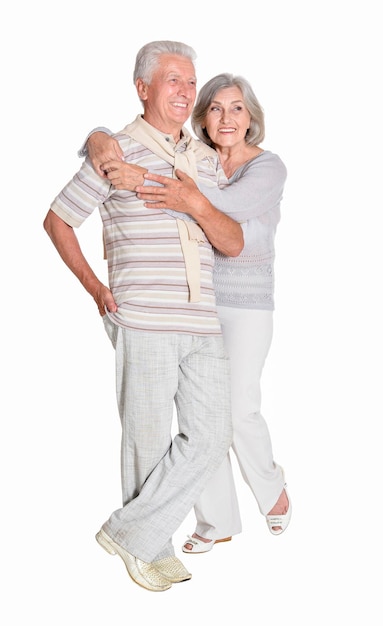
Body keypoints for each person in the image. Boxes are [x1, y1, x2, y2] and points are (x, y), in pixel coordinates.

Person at [43, 41, 244, 592]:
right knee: (147, 439)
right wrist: (93, 285)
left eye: (190, 81)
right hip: (145, 315)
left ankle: (129, 534)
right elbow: (58, 220)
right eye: (173, 80)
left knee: (211, 433)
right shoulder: (116, 153)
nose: (185, 91)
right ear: (143, 89)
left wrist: (194, 201)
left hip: (202, 318)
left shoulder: (204, 159)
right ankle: (149, 550)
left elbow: (232, 239)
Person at [83, 72, 291, 555]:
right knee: (202, 417)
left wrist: (162, 186)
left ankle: (271, 486)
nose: (227, 118)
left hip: (247, 303)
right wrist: (96, 138)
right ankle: (217, 518)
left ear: (251, 117)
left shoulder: (267, 168)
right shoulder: (193, 161)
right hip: (194, 300)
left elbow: (226, 213)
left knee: (239, 410)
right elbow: (149, 145)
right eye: (216, 108)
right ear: (202, 117)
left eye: (237, 108)